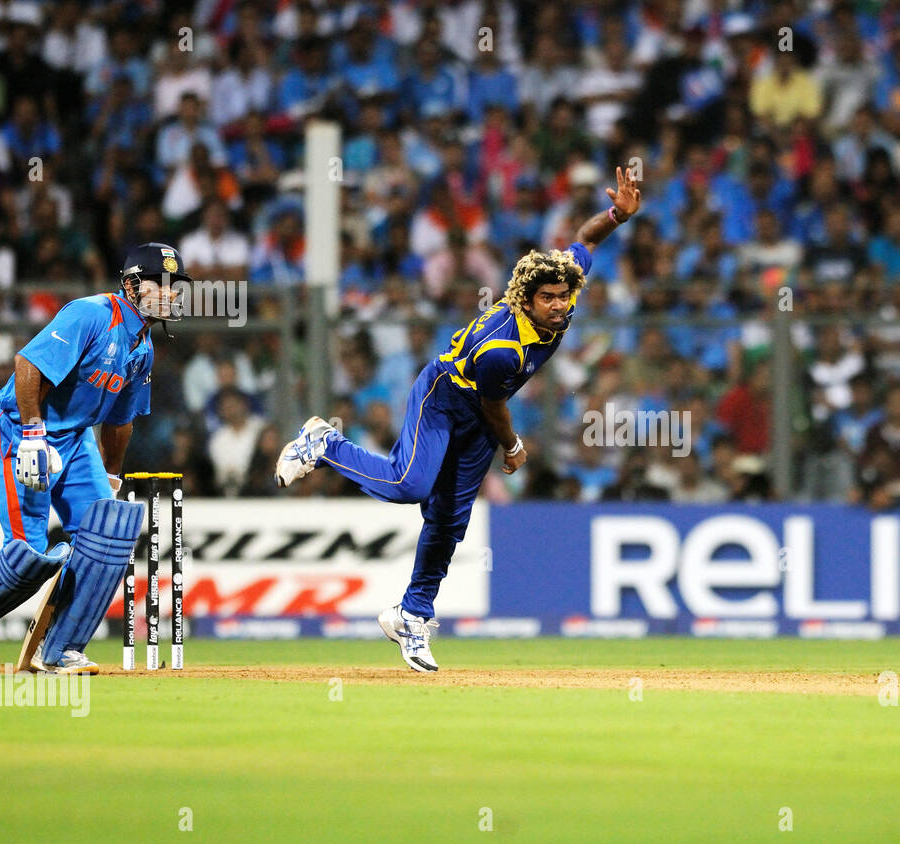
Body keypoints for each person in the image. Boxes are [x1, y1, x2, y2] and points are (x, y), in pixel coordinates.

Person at [275, 167, 642, 672]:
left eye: (563, 297)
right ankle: (324, 443)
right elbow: (494, 407)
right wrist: (512, 447)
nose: (559, 306)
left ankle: (412, 614)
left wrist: (617, 214)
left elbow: (582, 239)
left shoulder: (563, 291)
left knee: (448, 520)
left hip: (478, 416)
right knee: (409, 484)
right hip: (446, 397)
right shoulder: (502, 350)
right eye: (548, 300)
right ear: (524, 301)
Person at [0, 244, 187, 672]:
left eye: (175, 287)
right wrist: (33, 435)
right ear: (132, 285)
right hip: (19, 428)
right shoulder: (91, 313)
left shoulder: (142, 347)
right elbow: (27, 366)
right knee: (29, 556)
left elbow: (120, 420)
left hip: (76, 440)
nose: (170, 294)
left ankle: (60, 650)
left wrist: (112, 479)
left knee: (109, 533)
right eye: (161, 284)